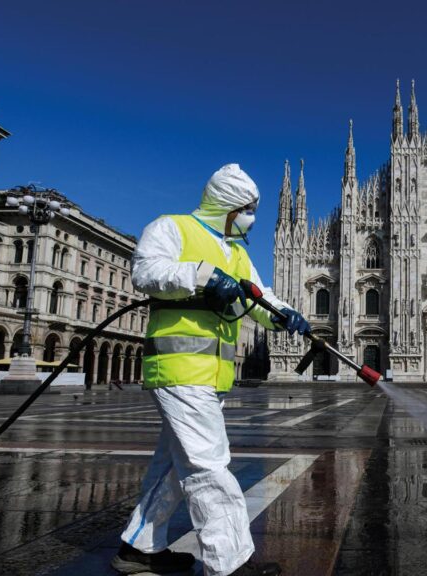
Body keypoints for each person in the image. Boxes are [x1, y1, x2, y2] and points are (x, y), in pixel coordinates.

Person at [112, 164, 310, 576]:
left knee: (172, 465)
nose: (253, 218)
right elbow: (145, 272)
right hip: (178, 368)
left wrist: (286, 314)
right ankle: (228, 563)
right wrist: (200, 276)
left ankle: (139, 547)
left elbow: (258, 296)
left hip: (210, 375)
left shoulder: (235, 252)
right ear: (228, 206)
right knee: (208, 465)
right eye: (249, 209)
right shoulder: (173, 227)